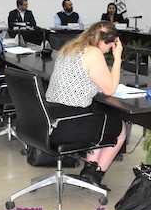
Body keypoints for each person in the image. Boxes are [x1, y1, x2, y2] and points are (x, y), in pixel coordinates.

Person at [45, 21, 127, 191]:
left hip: (51, 118)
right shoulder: (93, 52)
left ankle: (89, 171)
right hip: (69, 124)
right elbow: (110, 89)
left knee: (99, 116)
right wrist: (118, 58)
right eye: (111, 46)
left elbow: (83, 79)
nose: (109, 50)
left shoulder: (70, 48)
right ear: (105, 41)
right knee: (120, 129)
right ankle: (95, 173)